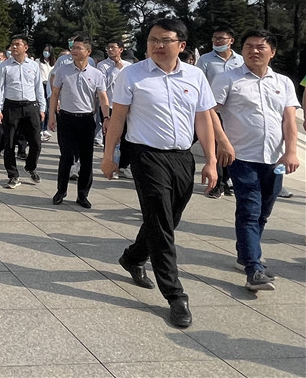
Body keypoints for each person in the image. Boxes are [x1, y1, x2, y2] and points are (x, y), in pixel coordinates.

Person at [101, 18, 218, 329]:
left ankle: (133, 257)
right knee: (161, 221)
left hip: (182, 158)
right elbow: (118, 117)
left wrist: (211, 160)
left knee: (167, 219)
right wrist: (109, 157)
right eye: (153, 39)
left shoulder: (195, 76)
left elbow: (203, 119)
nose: (158, 45)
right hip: (146, 156)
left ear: (181, 45)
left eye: (165, 40)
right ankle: (175, 294)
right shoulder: (132, 75)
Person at [212, 30, 300, 291]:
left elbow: (289, 120)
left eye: (260, 47)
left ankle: (244, 256)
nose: (254, 51)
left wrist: (291, 151)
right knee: (249, 210)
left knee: (264, 212)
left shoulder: (283, 82)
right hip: (241, 157)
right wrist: (223, 142)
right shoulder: (228, 79)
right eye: (249, 46)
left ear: (272, 52)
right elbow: (209, 112)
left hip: (276, 159)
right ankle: (254, 269)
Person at [48, 36, 110, 209]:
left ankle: (83, 195)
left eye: (78, 48)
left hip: (86, 120)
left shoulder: (96, 74)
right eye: (73, 48)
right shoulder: (63, 70)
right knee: (66, 157)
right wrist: (51, 116)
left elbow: (103, 98)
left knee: (86, 159)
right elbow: (55, 94)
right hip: (66, 118)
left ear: (88, 52)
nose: (74, 51)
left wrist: (106, 118)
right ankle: (61, 191)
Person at [196, 26, 244, 199]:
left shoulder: (241, 60)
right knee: (217, 146)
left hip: (235, 111)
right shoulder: (205, 60)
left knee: (231, 146)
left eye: (221, 38)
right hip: (212, 110)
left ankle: (227, 180)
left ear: (231, 41)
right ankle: (218, 184)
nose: (217, 41)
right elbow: (198, 83)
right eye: (214, 38)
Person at [0, 34, 46, 189]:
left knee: (36, 142)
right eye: (12, 44)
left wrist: (42, 108)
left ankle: (30, 166)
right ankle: (13, 175)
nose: (14, 47)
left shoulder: (33, 65)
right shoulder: (5, 66)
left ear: (26, 47)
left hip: (31, 106)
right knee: (9, 142)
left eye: (18, 44)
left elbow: (38, 88)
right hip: (12, 106)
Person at [99, 39, 133, 176]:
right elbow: (103, 85)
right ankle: (110, 164)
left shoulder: (128, 66)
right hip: (109, 105)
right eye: (108, 47)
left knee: (126, 136)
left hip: (126, 106)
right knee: (111, 136)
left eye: (113, 47)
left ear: (121, 49)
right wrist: (115, 70)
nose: (110, 50)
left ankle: (124, 165)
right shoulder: (102, 66)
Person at [37, 44, 55, 142]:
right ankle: (40, 128)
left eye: (48, 51)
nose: (46, 52)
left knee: (48, 108)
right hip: (41, 85)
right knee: (42, 108)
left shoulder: (53, 64)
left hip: (49, 86)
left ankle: (45, 128)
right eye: (45, 50)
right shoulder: (38, 62)